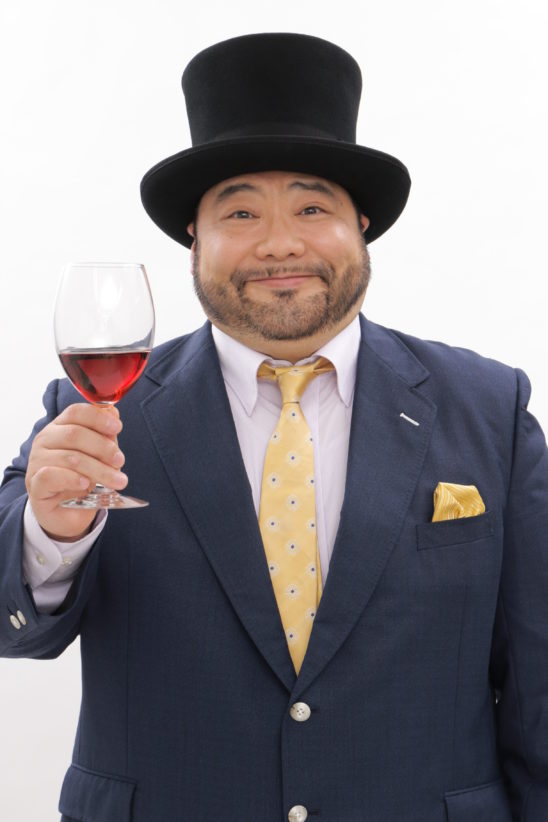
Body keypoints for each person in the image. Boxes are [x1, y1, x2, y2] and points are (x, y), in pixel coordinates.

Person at [1, 31, 547, 822]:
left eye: (313, 207)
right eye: (241, 211)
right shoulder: (94, 415)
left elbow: (538, 687)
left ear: (362, 224)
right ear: (194, 237)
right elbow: (13, 627)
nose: (280, 243)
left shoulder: (489, 408)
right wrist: (51, 535)